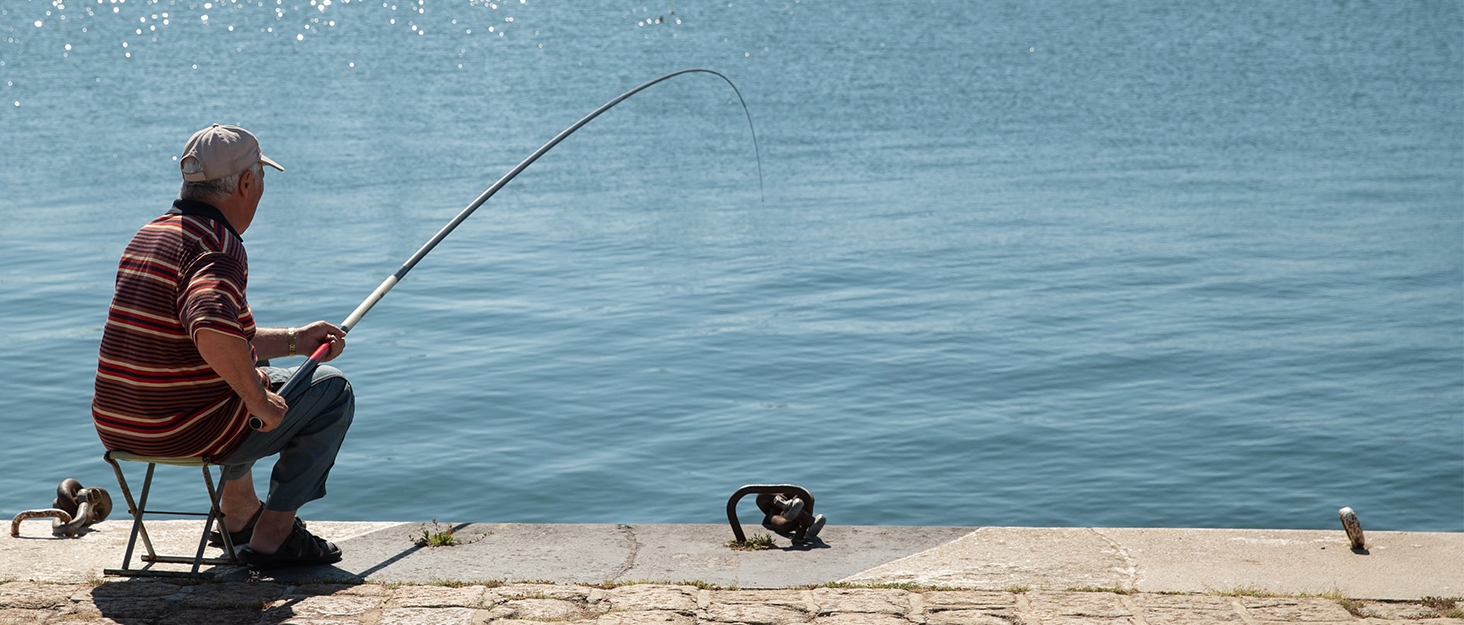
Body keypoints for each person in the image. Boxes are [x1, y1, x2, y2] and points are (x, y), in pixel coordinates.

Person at [92, 124, 353, 569]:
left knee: (257, 357)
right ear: (247, 183)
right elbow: (211, 328)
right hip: (182, 430)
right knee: (333, 391)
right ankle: (274, 535)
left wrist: (295, 340)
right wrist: (257, 400)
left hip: (120, 425)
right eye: (261, 180)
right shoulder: (218, 246)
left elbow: (226, 335)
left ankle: (237, 515)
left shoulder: (150, 233)